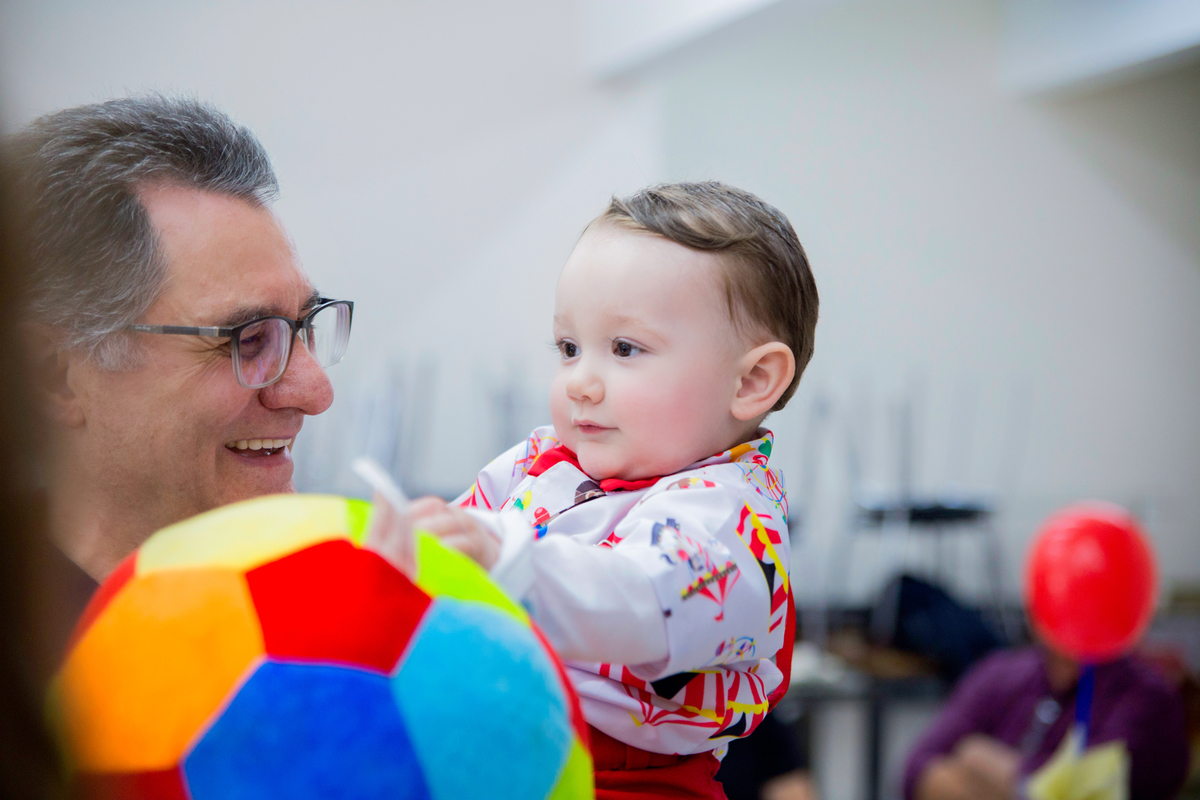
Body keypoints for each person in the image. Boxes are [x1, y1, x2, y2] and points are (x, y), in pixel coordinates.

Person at [406, 182, 819, 799]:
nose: (580, 382)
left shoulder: (730, 517)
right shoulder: (546, 462)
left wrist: (505, 560)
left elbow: (640, 597)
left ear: (752, 380)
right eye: (569, 348)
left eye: (625, 349)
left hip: (625, 780)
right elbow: (449, 544)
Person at [8, 96, 349, 624]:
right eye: (249, 339)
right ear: (54, 376)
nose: (315, 391)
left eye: (303, 325)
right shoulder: (34, 661)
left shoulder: (313, 619)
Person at [904, 643, 1189, 800]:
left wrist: (980, 761)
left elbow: (1088, 790)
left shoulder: (1147, 697)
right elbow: (916, 770)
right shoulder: (1000, 674)